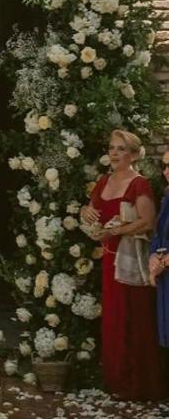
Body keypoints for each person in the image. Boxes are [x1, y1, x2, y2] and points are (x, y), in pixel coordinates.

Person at [81, 129, 165, 400]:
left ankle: (139, 382)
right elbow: (91, 212)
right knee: (115, 318)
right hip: (109, 258)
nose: (114, 153)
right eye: (111, 148)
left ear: (132, 154)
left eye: (120, 149)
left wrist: (117, 231)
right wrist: (85, 211)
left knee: (134, 316)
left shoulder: (139, 184)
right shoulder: (103, 181)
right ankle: (117, 381)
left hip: (131, 259)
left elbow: (148, 222)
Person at [149, 150, 169, 347]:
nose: (166, 171)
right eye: (165, 166)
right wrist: (153, 256)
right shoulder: (166, 199)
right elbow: (158, 233)